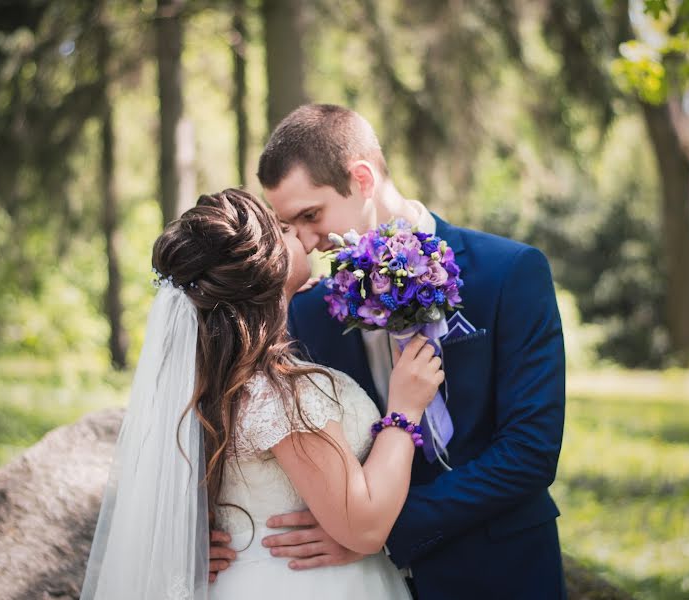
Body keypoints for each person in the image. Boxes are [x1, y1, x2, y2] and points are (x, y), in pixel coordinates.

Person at [211, 104, 567, 599]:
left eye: (311, 216)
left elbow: (530, 452)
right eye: (291, 225)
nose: (309, 243)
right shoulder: (308, 311)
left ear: (362, 178)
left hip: (502, 567)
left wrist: (379, 534)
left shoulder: (510, 273)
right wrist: (209, 526)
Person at [81, 188, 443, 599]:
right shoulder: (283, 394)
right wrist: (404, 410)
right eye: (288, 230)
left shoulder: (208, 380)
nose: (308, 238)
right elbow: (365, 527)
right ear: (270, 266)